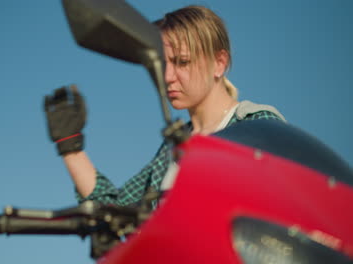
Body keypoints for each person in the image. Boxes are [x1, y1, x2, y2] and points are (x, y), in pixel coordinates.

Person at [44, 5, 286, 207]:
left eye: (182, 62)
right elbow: (117, 212)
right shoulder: (170, 153)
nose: (167, 76)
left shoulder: (256, 126)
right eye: (163, 63)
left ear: (219, 63)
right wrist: (70, 146)